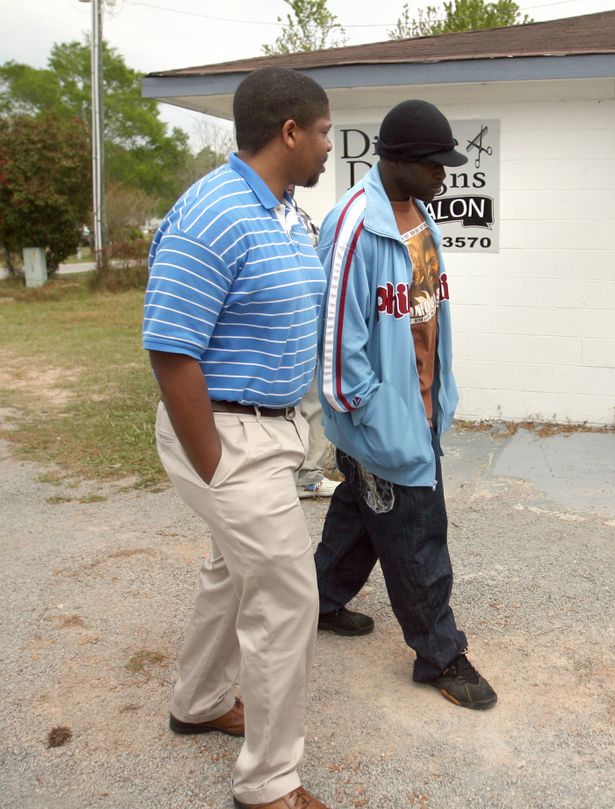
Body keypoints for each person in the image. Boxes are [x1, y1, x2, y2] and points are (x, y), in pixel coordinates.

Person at [142, 67, 334, 809]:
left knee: (233, 570)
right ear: (289, 131)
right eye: (321, 131)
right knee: (288, 594)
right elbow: (170, 348)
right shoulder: (212, 213)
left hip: (270, 432)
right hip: (222, 433)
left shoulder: (283, 211)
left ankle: (196, 701)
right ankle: (268, 782)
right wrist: (217, 463)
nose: (327, 145)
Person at [312, 99, 497, 710]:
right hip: (383, 420)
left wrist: (434, 399)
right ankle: (440, 654)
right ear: (399, 160)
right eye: (435, 165)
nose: (444, 176)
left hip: (419, 408)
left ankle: (318, 599)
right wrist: (372, 418)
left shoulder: (418, 217)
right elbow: (338, 340)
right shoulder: (354, 225)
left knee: (363, 512)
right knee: (418, 533)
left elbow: (425, 317)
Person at [290, 191, 341, 501]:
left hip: (310, 322)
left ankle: (307, 474)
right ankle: (300, 475)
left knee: (312, 401)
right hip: (291, 326)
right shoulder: (262, 214)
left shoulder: (298, 215)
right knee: (302, 402)